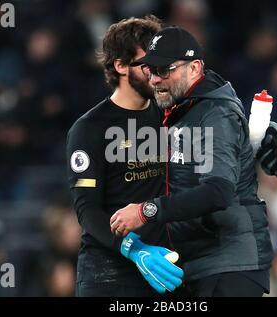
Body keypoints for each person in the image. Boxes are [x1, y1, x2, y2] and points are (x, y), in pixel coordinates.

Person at [110, 26, 273, 296]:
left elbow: (218, 192)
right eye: (151, 70)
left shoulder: (215, 114)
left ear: (195, 68)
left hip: (230, 266)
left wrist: (146, 211)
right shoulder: (182, 111)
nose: (154, 80)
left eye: (165, 70)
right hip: (201, 266)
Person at [66, 17, 183, 297]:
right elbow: (88, 211)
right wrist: (135, 250)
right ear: (120, 65)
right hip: (108, 272)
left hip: (164, 267)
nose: (157, 72)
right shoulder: (90, 129)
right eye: (147, 64)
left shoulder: (172, 116)